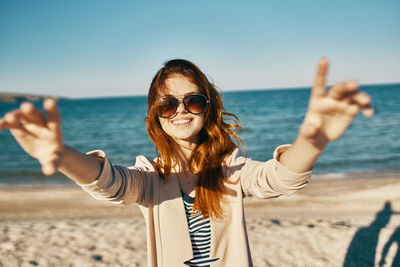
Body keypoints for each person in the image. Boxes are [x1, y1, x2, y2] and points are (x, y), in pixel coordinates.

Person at [0, 58, 373, 267]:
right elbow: (109, 183)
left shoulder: (231, 170)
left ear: (208, 108)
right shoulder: (149, 178)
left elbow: (280, 179)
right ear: (155, 115)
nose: (180, 110)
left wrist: (311, 141)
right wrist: (63, 156)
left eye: (193, 101)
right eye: (167, 104)